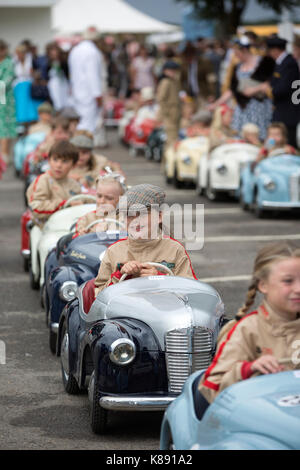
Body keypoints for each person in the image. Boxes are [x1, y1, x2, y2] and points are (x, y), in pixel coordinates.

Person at [197, 241, 300, 407]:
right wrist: (248, 369)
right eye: (288, 281)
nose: (298, 288)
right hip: (259, 419)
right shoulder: (246, 329)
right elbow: (210, 388)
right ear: (263, 285)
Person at [93, 184, 197, 296]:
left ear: (159, 217)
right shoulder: (114, 251)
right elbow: (98, 294)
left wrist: (160, 278)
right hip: (125, 311)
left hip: (164, 310)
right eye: (129, 215)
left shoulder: (174, 249)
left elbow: (191, 291)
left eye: (141, 214)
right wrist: (121, 275)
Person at [209, 36, 274, 141]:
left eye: (237, 52)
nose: (235, 55)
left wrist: (255, 89)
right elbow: (232, 90)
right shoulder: (237, 67)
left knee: (258, 135)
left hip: (259, 106)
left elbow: (270, 83)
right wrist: (217, 103)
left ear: (244, 50)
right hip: (243, 106)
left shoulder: (262, 63)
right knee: (241, 135)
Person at [26, 140, 81, 227]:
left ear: (73, 165)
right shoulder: (43, 180)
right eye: (55, 160)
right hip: (46, 227)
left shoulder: (74, 185)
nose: (58, 165)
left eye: (65, 161)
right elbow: (35, 208)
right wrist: (63, 205)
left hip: (69, 225)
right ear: (49, 160)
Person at [68, 27, 105, 133]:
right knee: (88, 126)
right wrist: (97, 95)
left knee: (79, 123)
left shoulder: (75, 50)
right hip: (89, 95)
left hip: (77, 92)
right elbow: (92, 75)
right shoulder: (92, 52)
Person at [266, 35, 300, 148]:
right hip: (282, 110)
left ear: (275, 50)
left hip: (288, 112)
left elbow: (283, 88)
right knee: (277, 141)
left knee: (289, 142)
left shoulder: (288, 63)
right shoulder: (283, 63)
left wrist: (268, 90)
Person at [156, 61, 181, 154]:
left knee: (174, 138)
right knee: (171, 140)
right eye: (171, 70)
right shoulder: (165, 82)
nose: (173, 72)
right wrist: (167, 112)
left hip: (175, 113)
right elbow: (160, 99)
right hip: (170, 114)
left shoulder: (173, 81)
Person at [0, 39, 17, 165]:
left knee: (5, 126)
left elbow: (7, 81)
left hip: (4, 97)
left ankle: (5, 155)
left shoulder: (8, 63)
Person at [46, 42, 70, 111]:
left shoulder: (63, 61)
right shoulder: (49, 62)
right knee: (56, 101)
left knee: (65, 99)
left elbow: (67, 73)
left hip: (63, 83)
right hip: (54, 84)